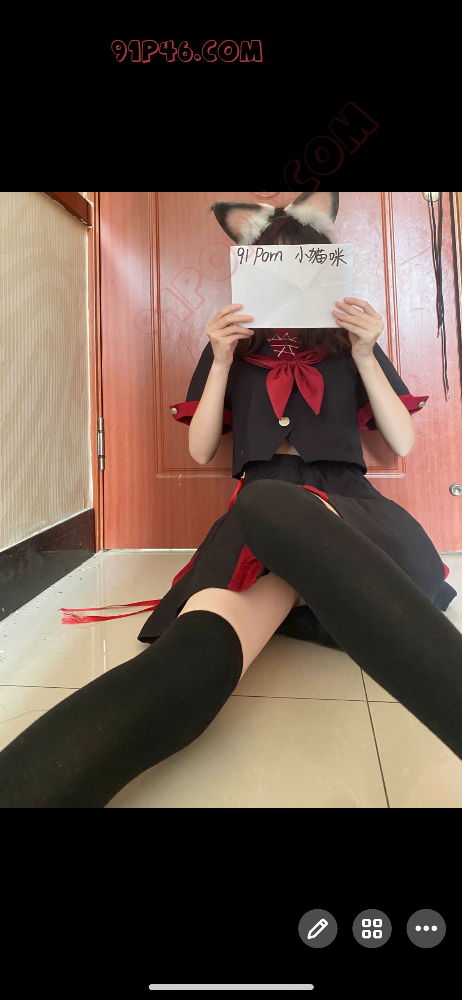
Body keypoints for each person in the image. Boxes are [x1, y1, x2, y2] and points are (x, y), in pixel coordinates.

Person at [0, 191, 461, 809]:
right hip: (262, 505)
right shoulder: (235, 349)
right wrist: (219, 359)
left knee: (282, 517)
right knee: (210, 623)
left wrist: (363, 353)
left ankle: (302, 569)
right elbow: (199, 450)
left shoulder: (351, 344)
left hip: (343, 501)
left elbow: (400, 441)